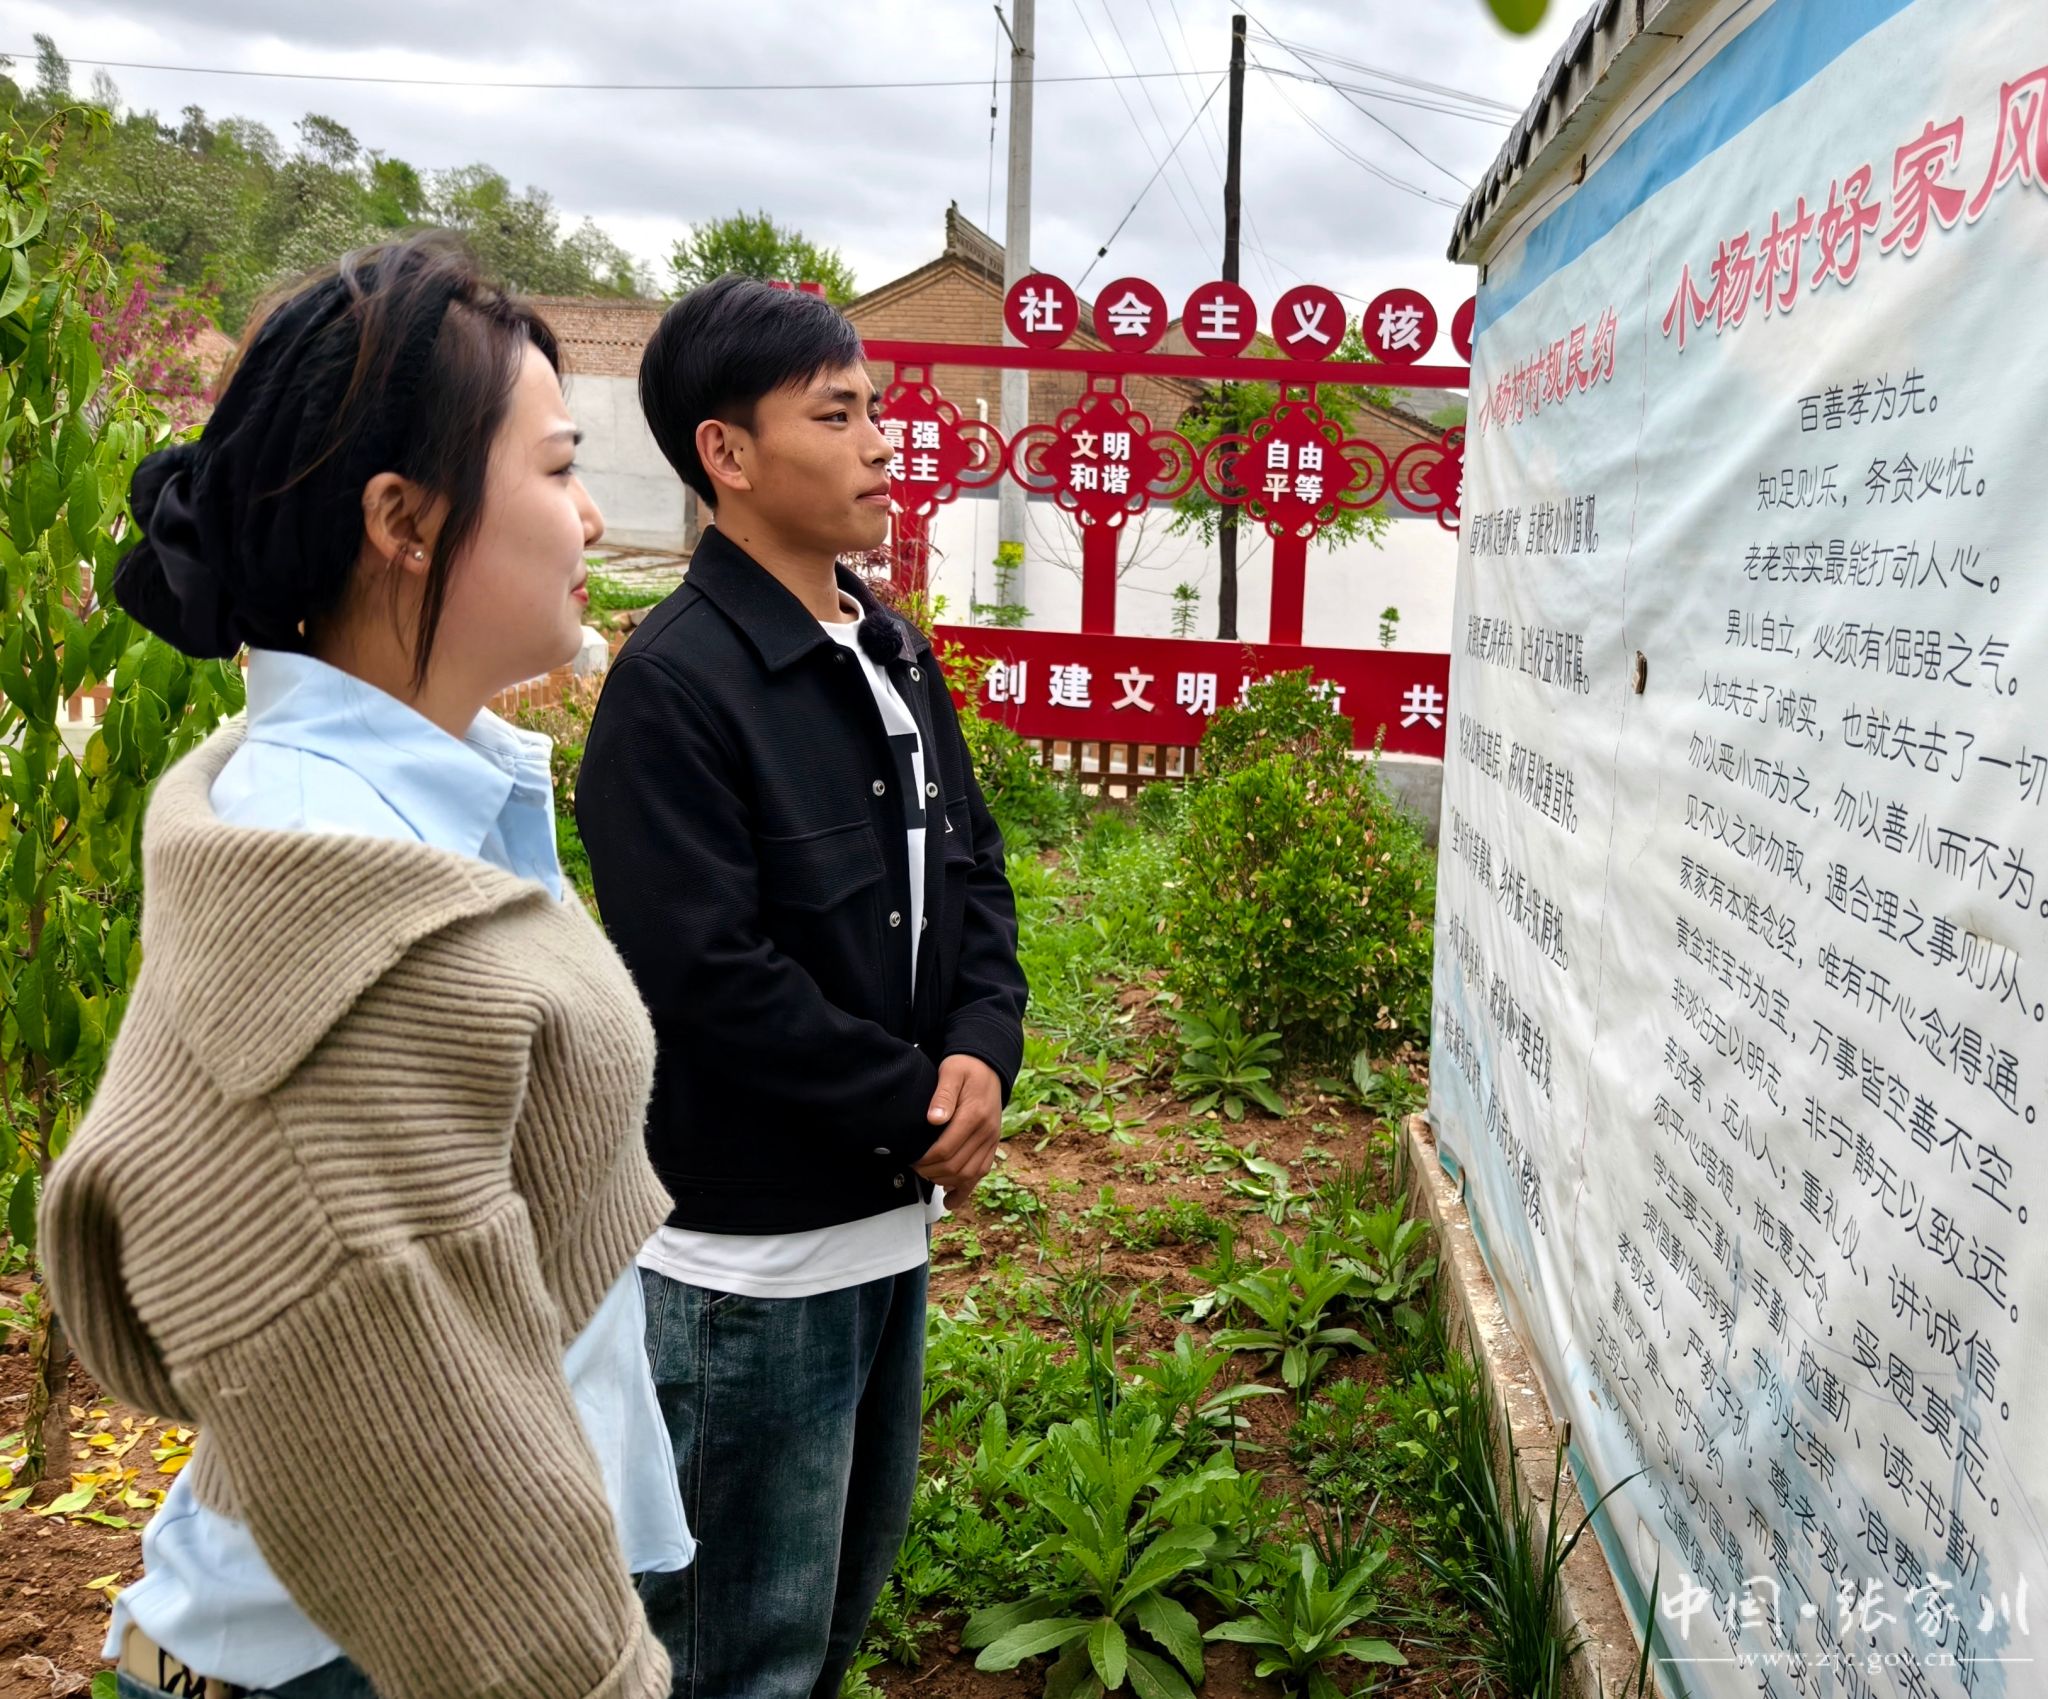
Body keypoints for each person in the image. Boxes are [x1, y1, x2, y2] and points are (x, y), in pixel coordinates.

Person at [40, 233, 688, 1699]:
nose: (593, 517)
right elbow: (426, 1424)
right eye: (560, 469)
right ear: (403, 519)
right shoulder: (339, 884)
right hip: (368, 1651)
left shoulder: (405, 802)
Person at [574, 276, 1028, 1699]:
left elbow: (974, 870)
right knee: (733, 1656)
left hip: (885, 1231)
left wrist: (983, 1048)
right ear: (726, 453)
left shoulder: (886, 647)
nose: (882, 442)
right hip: (750, 1277)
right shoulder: (675, 688)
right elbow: (705, 977)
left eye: (874, 408)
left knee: (830, 1626)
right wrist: (916, 1105)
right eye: (837, 415)